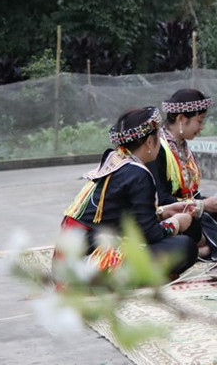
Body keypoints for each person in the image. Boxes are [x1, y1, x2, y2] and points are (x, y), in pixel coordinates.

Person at [59, 107, 197, 280]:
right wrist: (176, 222)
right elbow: (149, 234)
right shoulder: (138, 174)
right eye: (158, 138)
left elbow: (123, 216)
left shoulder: (116, 160)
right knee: (184, 246)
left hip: (73, 254)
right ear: (149, 142)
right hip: (94, 259)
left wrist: (162, 212)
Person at [146, 89, 217, 262]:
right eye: (200, 121)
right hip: (177, 214)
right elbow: (162, 200)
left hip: (195, 210)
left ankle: (211, 245)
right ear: (182, 119)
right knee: (193, 222)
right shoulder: (158, 150)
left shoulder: (182, 146)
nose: (201, 127)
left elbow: (192, 191)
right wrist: (203, 206)